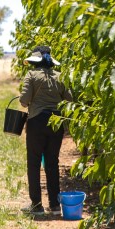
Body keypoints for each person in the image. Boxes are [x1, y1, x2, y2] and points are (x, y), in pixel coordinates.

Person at [19, 46, 72, 216]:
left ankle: (37, 206)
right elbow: (70, 99)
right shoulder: (59, 76)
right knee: (52, 163)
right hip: (56, 123)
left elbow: (24, 100)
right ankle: (55, 206)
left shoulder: (31, 75)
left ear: (35, 61)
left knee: (34, 163)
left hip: (36, 122)